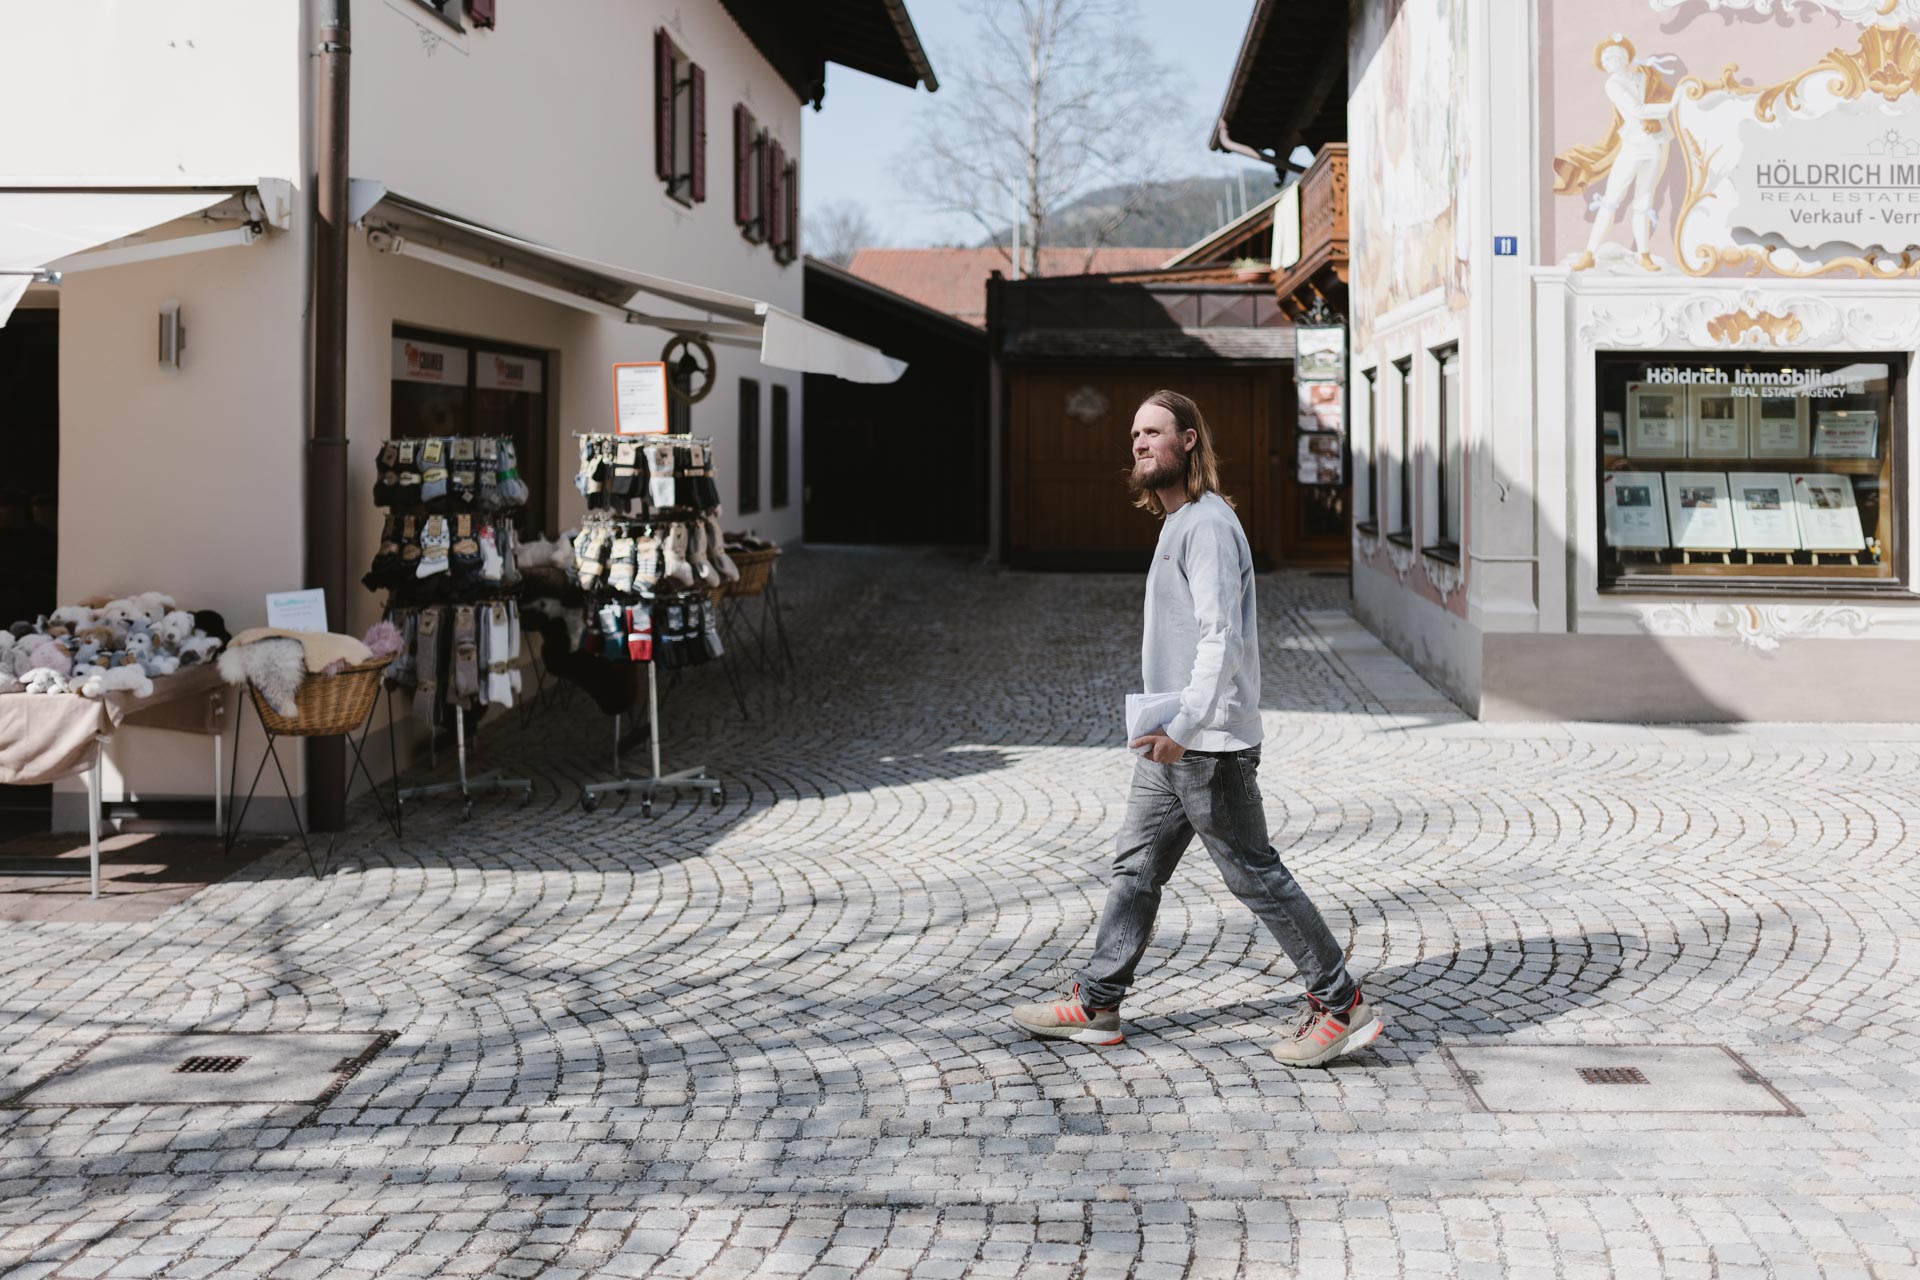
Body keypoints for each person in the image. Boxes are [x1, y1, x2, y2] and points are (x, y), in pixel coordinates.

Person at [1010, 390, 1382, 1067]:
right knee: (1136, 869)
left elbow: (1222, 639)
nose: (1141, 443)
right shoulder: (1180, 522)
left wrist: (1184, 723)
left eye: (1154, 431)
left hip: (1206, 745)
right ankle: (1098, 1004)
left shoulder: (1207, 525)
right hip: (1171, 740)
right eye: (1134, 436)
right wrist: (1169, 728)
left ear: (1189, 441)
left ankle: (1341, 1004)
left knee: (1256, 876)